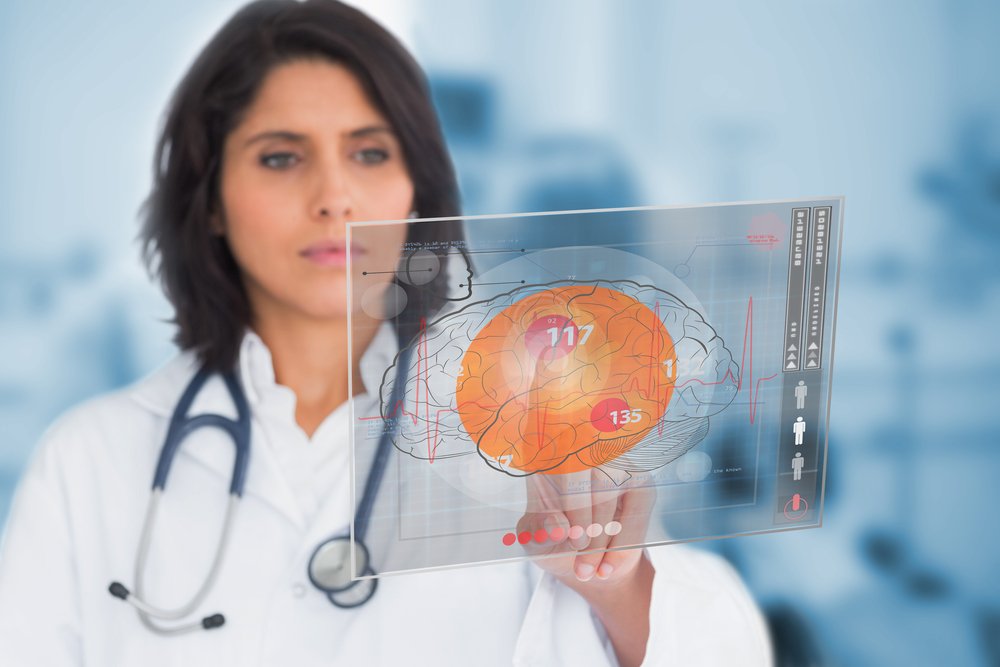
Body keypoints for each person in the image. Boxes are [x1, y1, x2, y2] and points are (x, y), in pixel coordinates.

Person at [0, 1, 773, 665]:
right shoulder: (89, 462)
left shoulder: (532, 446)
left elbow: (718, 646)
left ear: (417, 188)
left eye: (370, 152)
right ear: (209, 200)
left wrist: (614, 584)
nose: (334, 195)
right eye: (280, 157)